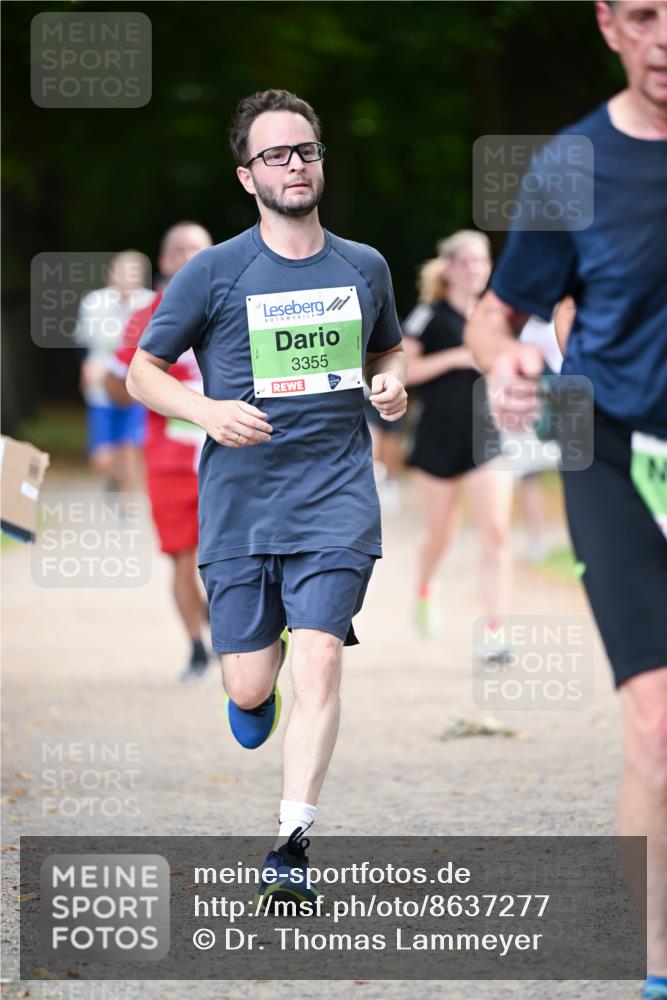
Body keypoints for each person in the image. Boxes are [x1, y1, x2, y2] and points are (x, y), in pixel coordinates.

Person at [126, 89, 407, 901]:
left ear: (321, 161)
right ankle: (257, 669)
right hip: (242, 505)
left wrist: (389, 392)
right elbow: (143, 372)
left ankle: (290, 843)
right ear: (247, 175)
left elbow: (386, 357)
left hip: (335, 496)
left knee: (320, 654)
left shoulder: (363, 265)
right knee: (250, 688)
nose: (295, 164)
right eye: (276, 155)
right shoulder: (213, 271)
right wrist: (208, 409)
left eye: (306, 150)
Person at [464, 3, 667, 996]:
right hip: (614, 450)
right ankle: (653, 962)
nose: (665, 36)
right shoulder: (571, 166)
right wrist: (503, 363)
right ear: (607, 25)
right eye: (644, 15)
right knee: (657, 722)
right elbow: (494, 313)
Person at [105, 222, 214, 682]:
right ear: (166, 261)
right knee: (182, 557)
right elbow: (116, 385)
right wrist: (154, 386)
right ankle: (195, 645)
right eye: (180, 250)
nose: (190, 258)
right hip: (170, 457)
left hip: (230, 450)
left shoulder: (237, 306)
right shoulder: (145, 317)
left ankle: (240, 634)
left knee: (235, 554)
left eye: (200, 250)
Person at [403, 231, 514, 657]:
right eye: (467, 261)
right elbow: (405, 371)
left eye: (482, 261)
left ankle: (494, 632)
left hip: (486, 435)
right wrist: (456, 357)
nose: (476, 269)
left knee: (497, 533)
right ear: (448, 268)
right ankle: (425, 587)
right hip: (436, 439)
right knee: (440, 535)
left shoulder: (496, 317)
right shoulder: (426, 315)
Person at [74, 250, 154, 492]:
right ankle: (115, 478)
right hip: (101, 388)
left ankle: (127, 508)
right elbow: (84, 346)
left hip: (136, 386)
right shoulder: (92, 303)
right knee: (102, 458)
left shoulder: (151, 303)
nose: (127, 280)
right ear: (111, 274)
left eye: (133, 274)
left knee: (130, 449)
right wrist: (85, 370)